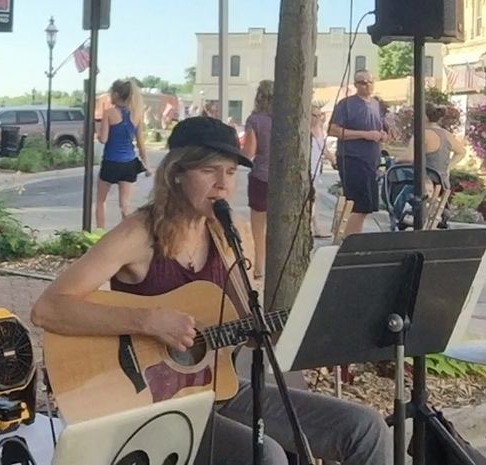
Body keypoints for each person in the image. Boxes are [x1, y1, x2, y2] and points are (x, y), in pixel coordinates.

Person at [31, 116, 391, 465]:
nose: (223, 184)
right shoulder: (138, 235)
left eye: (231, 172)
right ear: (176, 175)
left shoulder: (229, 231)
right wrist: (148, 320)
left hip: (221, 388)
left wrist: (270, 330)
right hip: (150, 402)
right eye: (209, 171)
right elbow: (48, 309)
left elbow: (244, 325)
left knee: (365, 428)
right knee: (263, 455)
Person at [328, 70, 386, 236]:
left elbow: (378, 128)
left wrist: (382, 135)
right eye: (362, 82)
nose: (367, 85)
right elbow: (333, 130)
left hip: (371, 161)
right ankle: (348, 240)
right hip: (352, 158)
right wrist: (364, 134)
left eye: (370, 81)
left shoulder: (375, 104)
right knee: (358, 204)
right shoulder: (346, 104)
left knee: (367, 205)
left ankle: (350, 236)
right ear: (355, 85)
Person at [96, 79, 150, 230]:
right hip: (129, 163)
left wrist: (97, 131)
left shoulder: (109, 113)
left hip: (111, 162)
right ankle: (125, 234)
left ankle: (100, 234)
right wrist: (146, 165)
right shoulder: (136, 115)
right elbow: (141, 143)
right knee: (125, 204)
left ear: (115, 94)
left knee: (101, 201)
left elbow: (103, 139)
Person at [242, 80, 273, 282]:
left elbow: (249, 152)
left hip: (261, 176)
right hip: (284, 179)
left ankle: (260, 266)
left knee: (258, 226)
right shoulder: (288, 118)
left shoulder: (255, 120)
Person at [421, 104, 466, 186]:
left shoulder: (424, 134)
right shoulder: (446, 134)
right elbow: (461, 152)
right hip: (443, 182)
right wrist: (448, 167)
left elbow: (409, 158)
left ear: (424, 117)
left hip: (427, 183)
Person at [309, 101, 330, 239]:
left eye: (319, 115)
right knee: (311, 199)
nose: (317, 118)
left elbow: (324, 149)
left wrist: (334, 160)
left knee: (313, 199)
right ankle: (315, 227)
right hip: (309, 168)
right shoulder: (306, 130)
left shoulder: (319, 130)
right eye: (314, 115)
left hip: (316, 170)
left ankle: (315, 227)